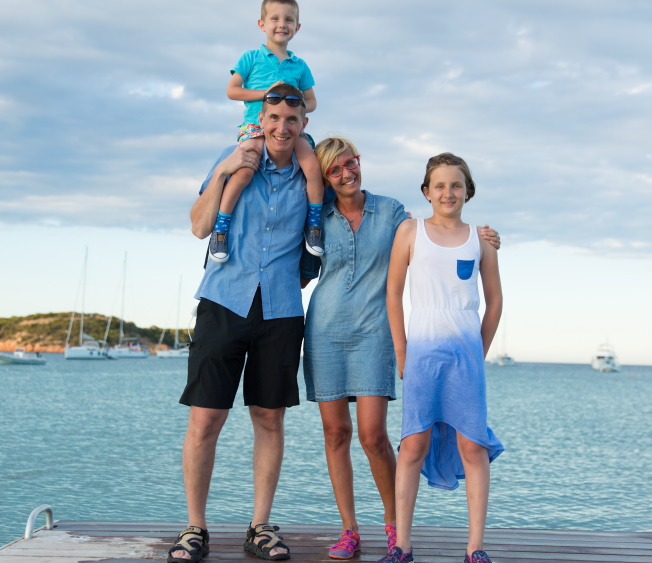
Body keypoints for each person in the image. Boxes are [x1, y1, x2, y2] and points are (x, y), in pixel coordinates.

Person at [303, 139, 502, 560]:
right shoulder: (316, 215)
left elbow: (438, 241)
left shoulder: (393, 212)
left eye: (350, 163)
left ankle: (396, 532)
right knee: (336, 433)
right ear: (324, 177)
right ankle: (350, 530)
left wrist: (483, 236)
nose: (346, 173)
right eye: (334, 170)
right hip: (326, 331)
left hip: (376, 335)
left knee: (375, 436)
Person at [170, 82, 314, 563]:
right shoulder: (233, 158)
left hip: (280, 311)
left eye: (291, 120)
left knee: (269, 418)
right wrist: (225, 171)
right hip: (223, 301)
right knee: (205, 419)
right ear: (262, 119)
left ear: (302, 126)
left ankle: (260, 526)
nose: (281, 127)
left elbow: (350, 217)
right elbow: (198, 225)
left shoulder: (311, 178)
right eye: (274, 118)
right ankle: (195, 528)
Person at [380, 153, 505, 563]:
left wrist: (478, 351)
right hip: (422, 353)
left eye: (456, 185)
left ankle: (475, 548)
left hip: (465, 355)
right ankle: (402, 546)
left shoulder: (481, 239)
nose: (448, 192)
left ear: (468, 191)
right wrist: (402, 350)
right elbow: (393, 294)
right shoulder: (410, 232)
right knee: (413, 444)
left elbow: (495, 301)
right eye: (439, 185)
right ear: (426, 191)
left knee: (473, 446)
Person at [208, 0, 324, 264]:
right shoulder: (251, 58)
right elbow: (232, 90)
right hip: (256, 126)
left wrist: (293, 101)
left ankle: (314, 226)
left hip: (289, 130)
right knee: (245, 171)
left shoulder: (300, 65)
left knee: (312, 167)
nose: (281, 24)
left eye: (288, 20)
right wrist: (268, 94)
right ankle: (221, 229)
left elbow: (313, 102)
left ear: (297, 27)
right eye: (274, 19)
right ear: (262, 24)